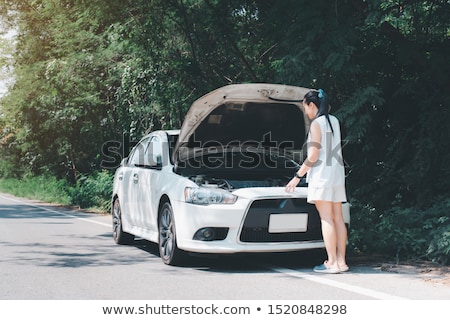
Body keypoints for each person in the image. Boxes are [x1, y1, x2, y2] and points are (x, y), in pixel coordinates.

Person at [285, 89, 348, 274]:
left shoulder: (316, 124)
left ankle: (331, 262)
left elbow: (313, 156)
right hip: (336, 174)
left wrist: (297, 177)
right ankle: (342, 262)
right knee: (338, 218)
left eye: (305, 107)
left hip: (322, 175)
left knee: (326, 218)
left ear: (311, 105)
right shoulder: (334, 120)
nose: (306, 112)